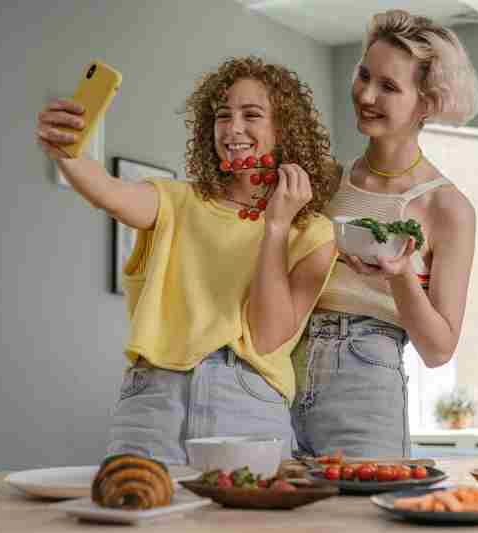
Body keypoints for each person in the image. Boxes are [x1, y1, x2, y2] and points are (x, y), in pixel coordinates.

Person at [36, 56, 338, 465]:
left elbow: (267, 337)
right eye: (222, 115)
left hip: (247, 400)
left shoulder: (313, 233)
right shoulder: (177, 201)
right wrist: (66, 153)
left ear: (284, 129)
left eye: (252, 115)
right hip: (154, 400)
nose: (233, 129)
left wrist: (276, 227)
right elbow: (109, 192)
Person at [291, 10, 478, 458]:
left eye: (390, 87)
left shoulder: (447, 208)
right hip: (284, 364)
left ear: (427, 103)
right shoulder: (324, 180)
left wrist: (398, 278)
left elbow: (439, 349)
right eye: (363, 75)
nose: (366, 94)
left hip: (366, 376)